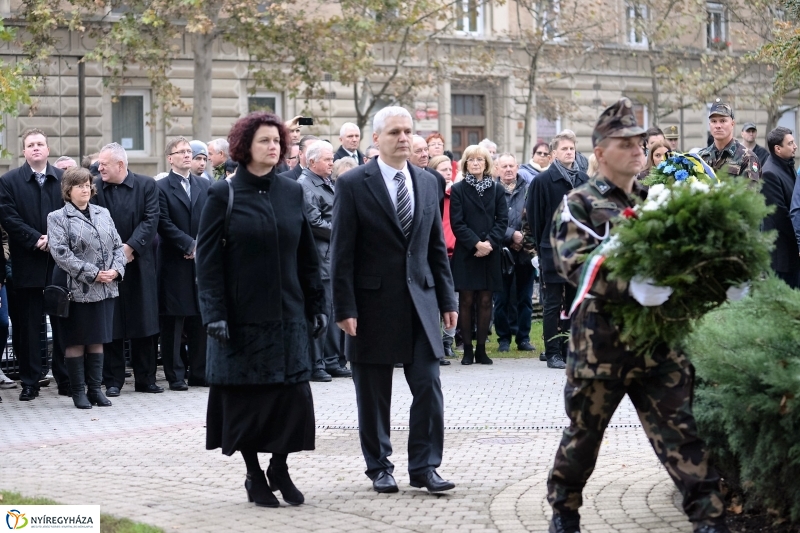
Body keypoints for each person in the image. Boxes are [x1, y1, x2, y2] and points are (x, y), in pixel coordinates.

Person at [546, 97, 729, 533]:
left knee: (683, 435)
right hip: (600, 350)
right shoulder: (579, 203)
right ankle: (564, 513)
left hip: (658, 347)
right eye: (626, 143)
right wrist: (633, 285)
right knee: (582, 440)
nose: (638, 150)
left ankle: (710, 520)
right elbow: (575, 263)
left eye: (641, 142)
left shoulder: (657, 199)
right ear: (601, 151)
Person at [197, 111, 327, 509]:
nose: (274, 147)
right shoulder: (224, 194)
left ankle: (280, 467)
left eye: (278, 141)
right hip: (240, 319)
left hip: (288, 316)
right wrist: (214, 313)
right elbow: (207, 262)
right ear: (244, 148)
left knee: (291, 401)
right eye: (265, 142)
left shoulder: (291, 192)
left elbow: (306, 255)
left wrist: (317, 303)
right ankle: (254, 474)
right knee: (248, 403)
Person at [331, 105, 458, 495]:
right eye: (394, 132)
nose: (403, 138)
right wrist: (344, 308)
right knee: (373, 396)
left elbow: (435, 246)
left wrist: (447, 298)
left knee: (429, 386)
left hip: (420, 303)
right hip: (370, 307)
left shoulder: (427, 182)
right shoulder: (353, 183)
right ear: (376, 139)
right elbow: (341, 252)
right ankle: (380, 467)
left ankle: (424, 467)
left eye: (407, 131)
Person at [47, 167, 126, 409]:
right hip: (77, 289)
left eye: (87, 185)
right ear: (67, 190)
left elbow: (117, 245)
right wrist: (93, 274)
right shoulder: (57, 217)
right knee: (76, 341)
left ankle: (95, 390)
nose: (85, 189)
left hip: (105, 288)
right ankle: (78, 391)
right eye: (79, 185)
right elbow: (61, 253)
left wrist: (116, 270)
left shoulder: (103, 213)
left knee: (98, 338)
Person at [0, 128, 69, 401]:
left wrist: (55, 238)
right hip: (26, 262)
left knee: (62, 323)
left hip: (59, 262)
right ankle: (30, 381)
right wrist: (35, 239)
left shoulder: (63, 179)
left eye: (40, 144)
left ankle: (65, 379)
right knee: (28, 326)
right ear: (24, 151)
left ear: (48, 149)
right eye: (31, 145)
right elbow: (8, 216)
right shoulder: (9, 181)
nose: (36, 148)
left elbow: (72, 211)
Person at [93, 142, 163, 395]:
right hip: (107, 264)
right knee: (111, 324)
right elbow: (92, 220)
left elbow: (151, 219)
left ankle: (146, 379)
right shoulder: (95, 187)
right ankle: (113, 380)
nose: (99, 167)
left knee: (144, 321)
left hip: (139, 262)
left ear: (120, 165)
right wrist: (114, 253)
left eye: (104, 163)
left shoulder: (146, 185)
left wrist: (129, 248)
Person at [526, 130, 589, 370]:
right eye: (564, 149)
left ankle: (569, 349)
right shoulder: (542, 181)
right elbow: (535, 217)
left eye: (572, 148)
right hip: (552, 249)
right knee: (552, 303)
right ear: (554, 154)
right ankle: (552, 351)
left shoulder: (583, 180)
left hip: (578, 251)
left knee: (574, 302)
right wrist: (543, 248)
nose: (569, 152)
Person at [156, 136, 212, 391]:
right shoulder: (162, 187)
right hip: (174, 262)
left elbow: (211, 219)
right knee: (174, 323)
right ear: (170, 158)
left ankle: (199, 372)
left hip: (200, 262)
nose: (188, 156)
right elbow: (163, 223)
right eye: (181, 152)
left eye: (189, 151)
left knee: (200, 320)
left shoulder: (203, 185)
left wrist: (200, 244)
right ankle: (176, 374)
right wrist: (188, 244)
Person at [449, 144, 508, 365]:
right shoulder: (458, 190)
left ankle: (482, 349)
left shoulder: (497, 189)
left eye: (480, 160)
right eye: (471, 160)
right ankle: (467, 350)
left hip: (490, 252)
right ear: (465, 164)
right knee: (465, 300)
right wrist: (476, 243)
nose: (475, 163)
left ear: (486, 163)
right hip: (467, 253)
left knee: (485, 301)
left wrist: (489, 243)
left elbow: (502, 221)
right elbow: (457, 223)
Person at [297, 141, 350, 381]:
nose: (332, 163)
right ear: (311, 162)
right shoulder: (306, 185)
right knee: (320, 312)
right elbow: (314, 223)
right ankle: (316, 363)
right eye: (328, 159)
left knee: (331, 310)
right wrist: (343, 231)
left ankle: (331, 360)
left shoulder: (327, 182)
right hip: (320, 258)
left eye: (332, 159)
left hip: (333, 256)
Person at [493, 153, 535, 353]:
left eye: (511, 165)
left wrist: (523, 238)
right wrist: (511, 235)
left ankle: (523, 338)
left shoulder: (529, 190)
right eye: (504, 166)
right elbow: (489, 221)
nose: (508, 169)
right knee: (501, 299)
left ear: (518, 167)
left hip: (525, 252)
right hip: (501, 252)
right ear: (497, 169)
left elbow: (535, 217)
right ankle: (503, 339)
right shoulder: (492, 192)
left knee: (524, 298)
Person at [763, 127, 800, 289]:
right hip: (782, 257)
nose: (795, 146)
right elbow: (781, 216)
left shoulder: (787, 164)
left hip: (792, 252)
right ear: (778, 149)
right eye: (790, 143)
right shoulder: (769, 173)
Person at [429, 154, 457, 364]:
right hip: (435, 253)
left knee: (452, 299)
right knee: (434, 301)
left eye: (449, 169)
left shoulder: (455, 194)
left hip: (455, 253)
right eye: (442, 170)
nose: (447, 173)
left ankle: (448, 341)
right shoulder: (428, 193)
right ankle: (435, 342)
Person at [698, 99, 761, 182]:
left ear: (732, 124)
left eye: (723, 121)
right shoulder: (701, 156)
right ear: (709, 125)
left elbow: (749, 193)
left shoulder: (747, 158)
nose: (718, 126)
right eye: (714, 121)